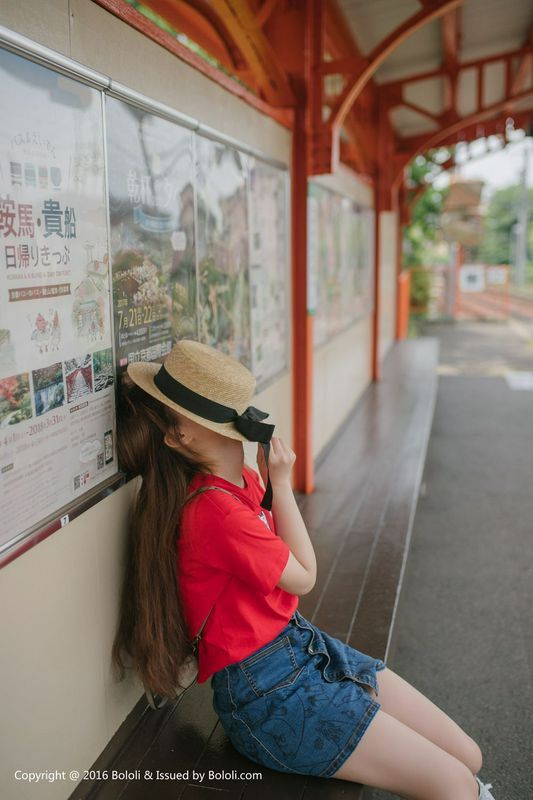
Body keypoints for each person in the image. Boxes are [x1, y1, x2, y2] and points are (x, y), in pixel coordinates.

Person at [112, 338, 495, 800]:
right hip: (268, 695)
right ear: (181, 437)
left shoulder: (238, 483)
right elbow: (305, 577)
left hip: (302, 647)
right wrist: (284, 485)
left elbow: (288, 566)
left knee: (467, 758)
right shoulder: (214, 510)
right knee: (455, 783)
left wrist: (272, 482)